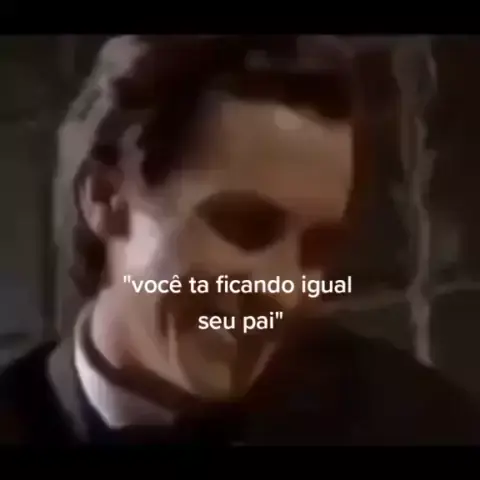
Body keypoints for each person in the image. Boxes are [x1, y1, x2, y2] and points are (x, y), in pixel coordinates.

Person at [1, 34, 479, 446]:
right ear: (106, 200)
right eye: (246, 227)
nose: (283, 291)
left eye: (315, 249)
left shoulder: (416, 422)